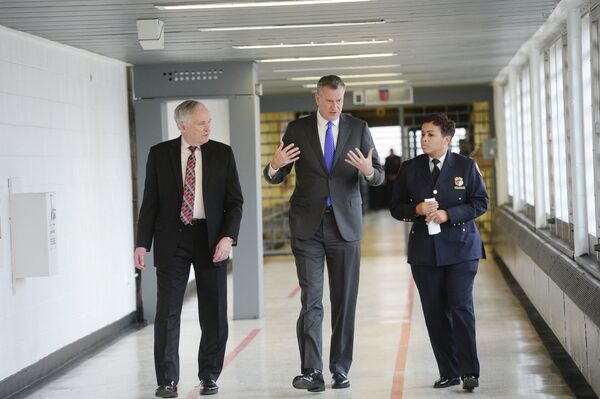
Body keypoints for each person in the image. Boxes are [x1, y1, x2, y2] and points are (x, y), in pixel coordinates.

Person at [264, 75, 384, 392]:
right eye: (329, 101)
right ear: (317, 98)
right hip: (308, 227)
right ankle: (312, 370)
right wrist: (274, 165)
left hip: (345, 227)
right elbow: (275, 176)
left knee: (344, 301)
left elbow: (379, 175)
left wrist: (369, 171)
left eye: (340, 101)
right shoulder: (297, 129)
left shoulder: (358, 128)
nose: (335, 107)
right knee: (312, 300)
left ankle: (340, 368)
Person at [134, 100, 243, 397]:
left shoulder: (222, 154)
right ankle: (167, 380)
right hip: (174, 240)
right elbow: (150, 202)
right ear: (182, 126)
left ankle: (209, 375)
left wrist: (227, 237)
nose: (208, 127)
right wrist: (142, 243)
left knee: (214, 313)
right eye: (200, 123)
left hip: (211, 240)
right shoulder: (160, 154)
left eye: (209, 121)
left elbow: (235, 203)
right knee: (167, 313)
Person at [389, 113, 488, 391]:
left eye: (430, 135)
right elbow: (396, 207)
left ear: (447, 138)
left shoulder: (466, 166)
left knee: (460, 307)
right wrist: (416, 210)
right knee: (434, 312)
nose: (424, 139)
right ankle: (449, 371)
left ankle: (470, 371)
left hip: (462, 250)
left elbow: (481, 203)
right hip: (425, 252)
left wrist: (449, 214)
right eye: (422, 134)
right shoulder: (410, 169)